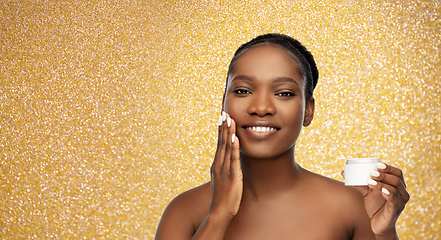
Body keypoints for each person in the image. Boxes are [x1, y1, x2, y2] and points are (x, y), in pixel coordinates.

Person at [155, 33, 410, 240]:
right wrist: (219, 214)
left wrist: (384, 234)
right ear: (223, 105)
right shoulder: (184, 212)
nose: (261, 107)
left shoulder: (352, 207)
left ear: (308, 111)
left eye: (284, 93)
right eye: (243, 90)